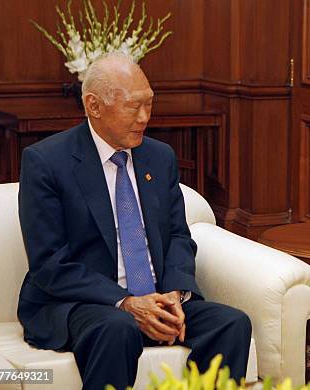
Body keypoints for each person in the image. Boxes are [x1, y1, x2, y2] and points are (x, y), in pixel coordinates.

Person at [17, 52, 252, 390]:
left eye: (149, 105)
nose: (144, 118)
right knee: (118, 326)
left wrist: (174, 292)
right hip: (85, 302)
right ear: (94, 106)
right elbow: (50, 264)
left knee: (231, 323)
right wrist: (126, 302)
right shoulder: (47, 162)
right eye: (133, 107)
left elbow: (177, 236)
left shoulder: (159, 156)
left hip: (156, 296)